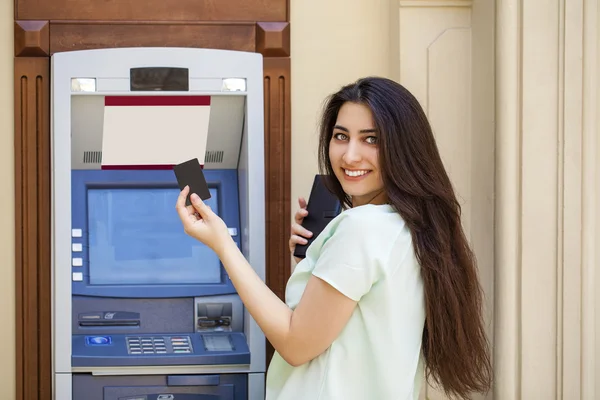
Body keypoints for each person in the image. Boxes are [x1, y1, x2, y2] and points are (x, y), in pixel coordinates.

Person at [176, 77, 492, 400]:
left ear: (403, 147)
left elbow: (295, 344)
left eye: (371, 139)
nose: (350, 155)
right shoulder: (411, 225)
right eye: (341, 136)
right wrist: (312, 262)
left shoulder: (361, 229)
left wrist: (223, 245)